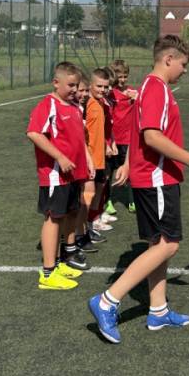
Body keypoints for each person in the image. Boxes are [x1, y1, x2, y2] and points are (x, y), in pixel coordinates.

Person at [88, 35, 189, 344]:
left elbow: (138, 134)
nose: (184, 70)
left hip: (153, 177)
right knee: (169, 245)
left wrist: (128, 164)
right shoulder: (157, 88)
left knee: (158, 243)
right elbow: (151, 136)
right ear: (168, 59)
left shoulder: (148, 87)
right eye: (183, 64)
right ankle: (107, 300)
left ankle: (158, 310)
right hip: (158, 179)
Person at [26, 62, 94, 290]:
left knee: (68, 215)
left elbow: (79, 138)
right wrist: (60, 157)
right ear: (56, 83)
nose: (75, 90)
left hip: (73, 174)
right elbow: (34, 133)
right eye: (70, 85)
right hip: (56, 175)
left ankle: (60, 263)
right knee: (53, 218)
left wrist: (87, 159)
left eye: (77, 85)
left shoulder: (74, 106)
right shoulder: (48, 105)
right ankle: (48, 273)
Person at [76, 67, 114, 254]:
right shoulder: (86, 104)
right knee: (86, 197)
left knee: (95, 194)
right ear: (90, 85)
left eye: (106, 87)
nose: (103, 90)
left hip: (99, 158)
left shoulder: (100, 103)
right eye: (99, 86)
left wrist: (106, 145)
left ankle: (88, 228)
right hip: (89, 159)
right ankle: (79, 234)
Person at [105, 59, 137, 215]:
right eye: (119, 76)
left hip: (128, 140)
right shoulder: (110, 93)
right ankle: (108, 201)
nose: (122, 80)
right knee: (108, 173)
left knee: (130, 171)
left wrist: (137, 99)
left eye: (125, 76)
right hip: (113, 140)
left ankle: (132, 201)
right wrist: (109, 141)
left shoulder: (133, 92)